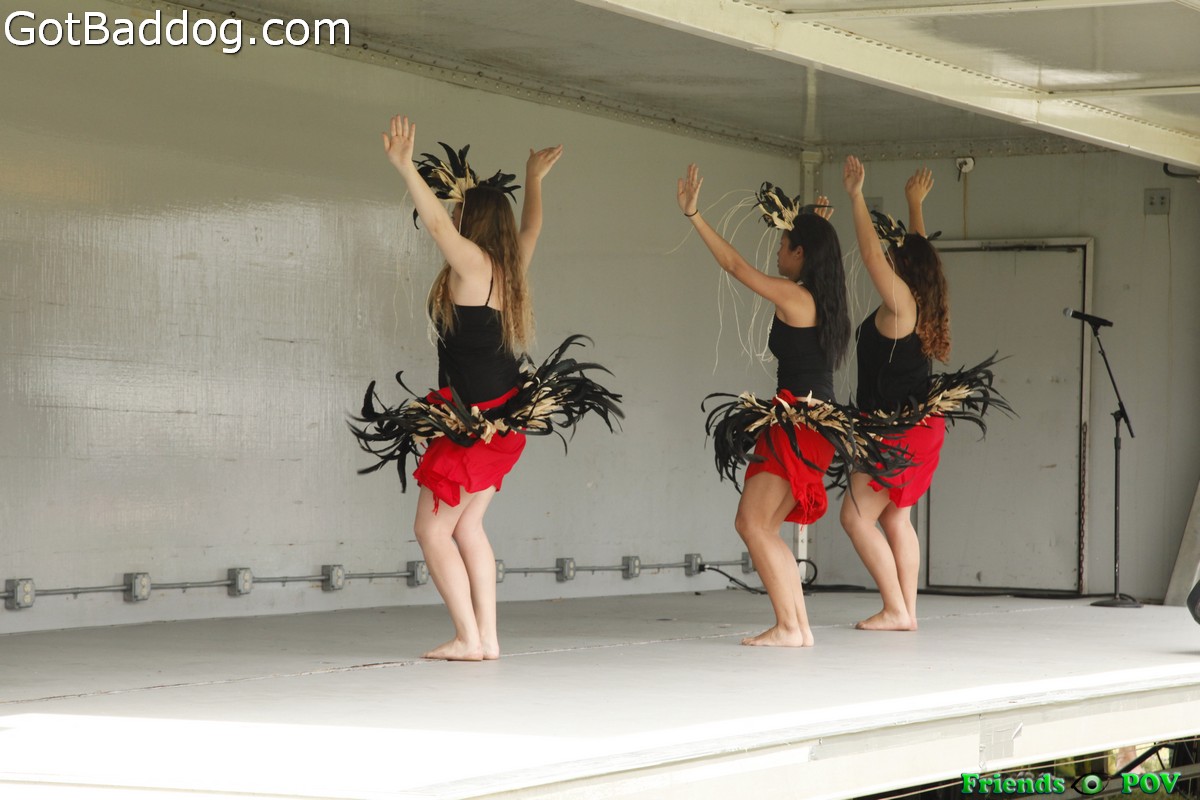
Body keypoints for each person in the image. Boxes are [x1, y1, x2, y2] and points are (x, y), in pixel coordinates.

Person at [353, 116, 620, 661]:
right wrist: (534, 179)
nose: (452, 215)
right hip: (502, 418)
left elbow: (435, 227)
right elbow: (532, 229)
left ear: (472, 220)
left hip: (477, 425)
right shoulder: (508, 268)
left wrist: (405, 167)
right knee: (468, 526)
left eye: (460, 210)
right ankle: (488, 639)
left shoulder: (474, 265)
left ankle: (468, 637)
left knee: (432, 531)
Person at [679, 164, 850, 648]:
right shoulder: (823, 299)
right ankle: (798, 627)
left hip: (798, 425)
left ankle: (790, 627)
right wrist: (815, 224)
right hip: (813, 425)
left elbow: (735, 267)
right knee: (765, 526)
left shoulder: (796, 296)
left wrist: (694, 215)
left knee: (751, 523)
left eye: (783, 246)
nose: (777, 254)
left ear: (800, 254)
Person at [839, 157, 950, 632]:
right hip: (918, 428)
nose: (888, 255)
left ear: (902, 267)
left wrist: (856, 197)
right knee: (895, 521)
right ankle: (908, 612)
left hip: (895, 434)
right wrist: (914, 204)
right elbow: (918, 250)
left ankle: (896, 609)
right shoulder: (921, 299)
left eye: (896, 254)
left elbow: (870, 257)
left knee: (855, 518)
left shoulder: (901, 302)